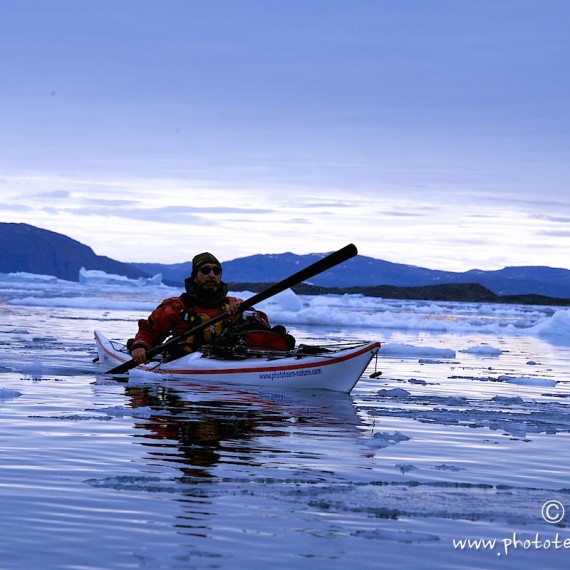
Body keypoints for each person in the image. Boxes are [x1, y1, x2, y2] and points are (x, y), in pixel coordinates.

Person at [129, 252, 271, 364]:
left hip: (227, 361)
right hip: (183, 365)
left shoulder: (235, 305)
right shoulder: (176, 306)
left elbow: (264, 326)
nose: (211, 275)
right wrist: (140, 346)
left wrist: (242, 315)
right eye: (205, 270)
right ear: (195, 276)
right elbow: (149, 330)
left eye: (216, 271)